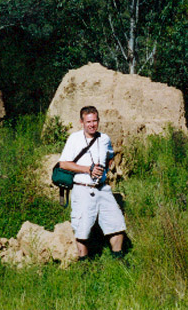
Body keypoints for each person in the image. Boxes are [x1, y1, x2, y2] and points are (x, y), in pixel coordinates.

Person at [59, 106, 127, 260]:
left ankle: (119, 259)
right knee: (82, 229)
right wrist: (87, 169)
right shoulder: (74, 139)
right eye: (88, 121)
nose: (92, 124)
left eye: (95, 121)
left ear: (98, 121)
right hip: (82, 189)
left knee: (117, 224)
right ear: (81, 122)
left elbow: (110, 154)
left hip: (102, 189)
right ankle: (84, 263)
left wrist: (107, 167)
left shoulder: (104, 139)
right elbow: (63, 164)